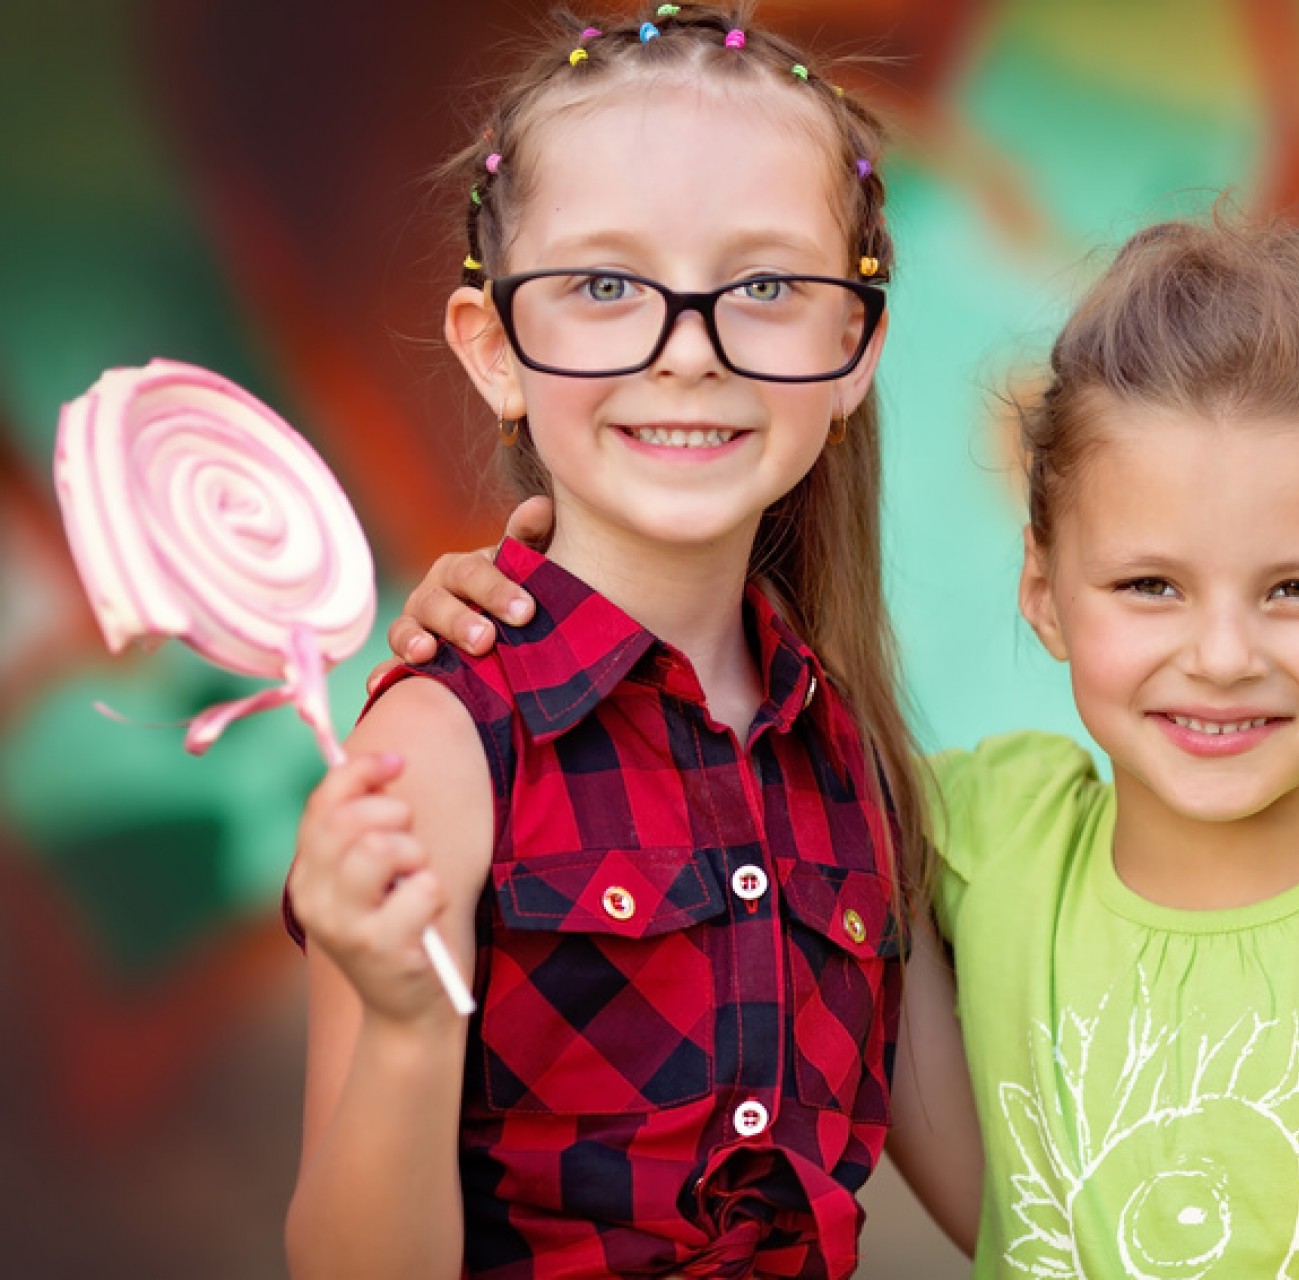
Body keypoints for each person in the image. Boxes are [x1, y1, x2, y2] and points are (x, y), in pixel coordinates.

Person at [381, 213, 1299, 1275]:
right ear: (1043, 593)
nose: (1224, 654)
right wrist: (513, 614)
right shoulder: (976, 833)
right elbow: (708, 768)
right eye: (1149, 587)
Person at [284, 8, 966, 1277]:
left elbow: (1014, 1197)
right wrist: (404, 1023)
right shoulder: (442, 746)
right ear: (497, 351)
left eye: (763, 286)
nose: (690, 352)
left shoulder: (850, 757)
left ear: (853, 346)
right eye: (605, 285)